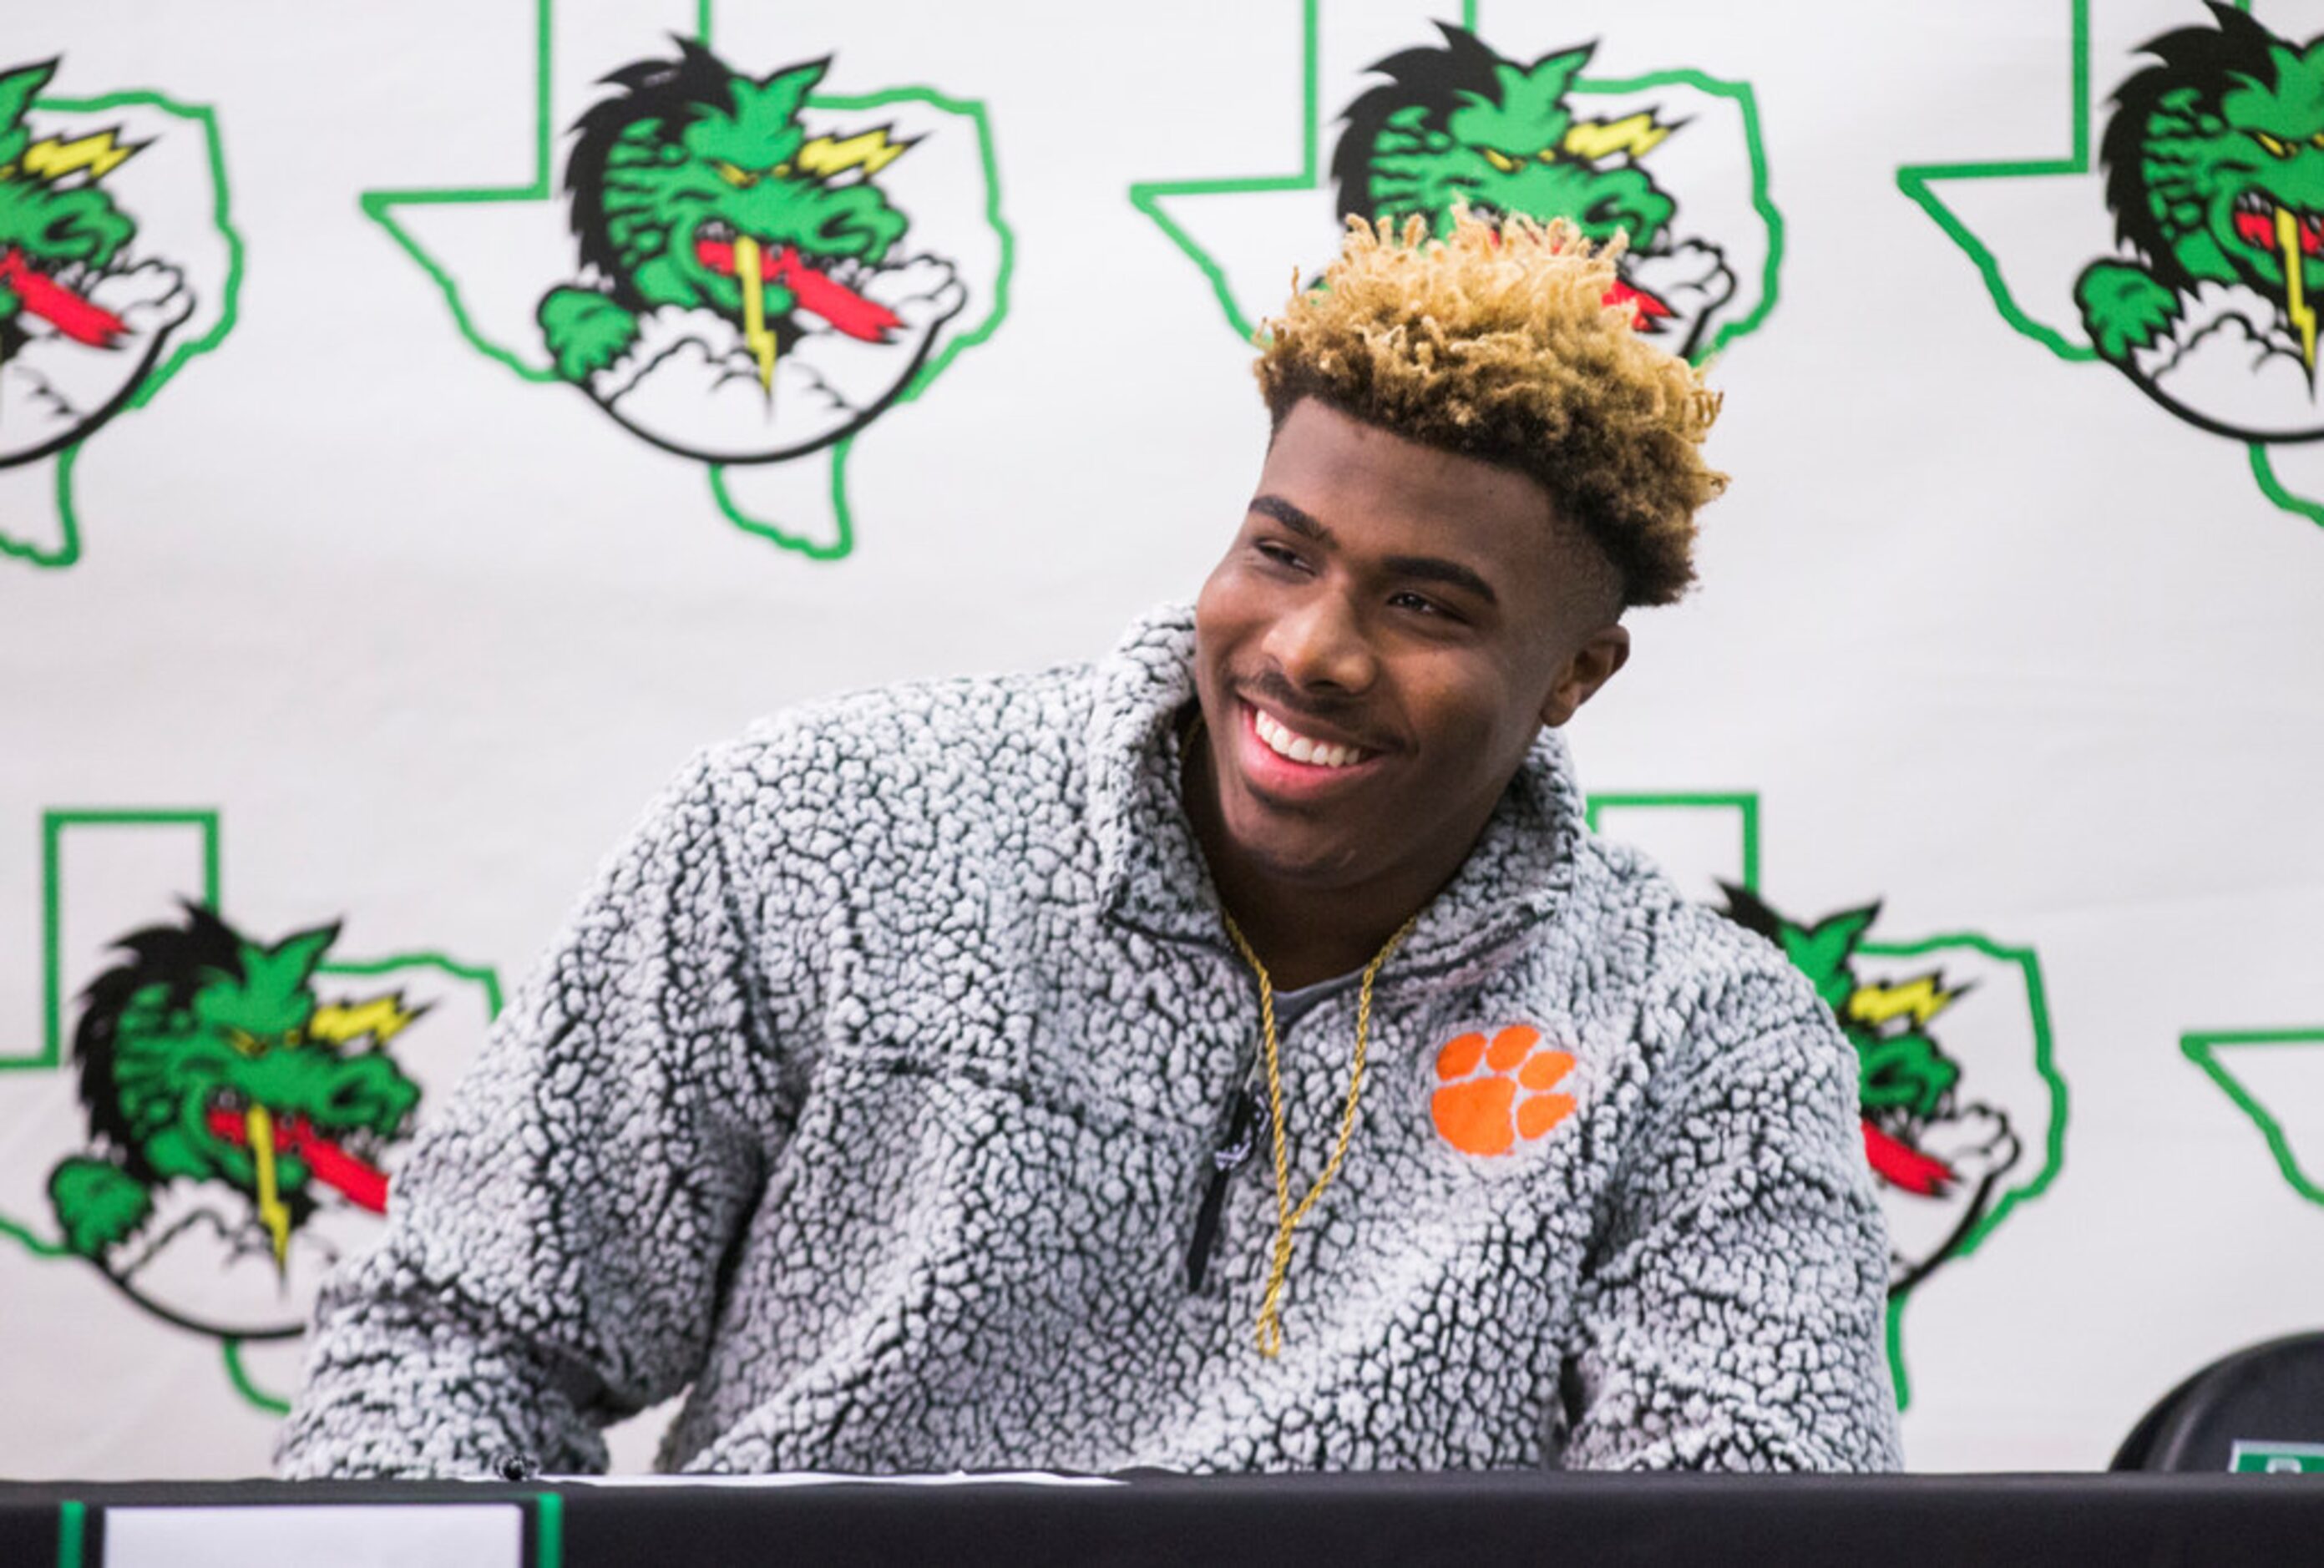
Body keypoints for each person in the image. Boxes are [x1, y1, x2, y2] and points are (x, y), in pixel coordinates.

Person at [276, 210, 1901, 1478]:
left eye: (1426, 605)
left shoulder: (1700, 1041)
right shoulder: (821, 835)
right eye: (1281, 551)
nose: (1312, 650)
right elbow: (461, 1347)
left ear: (1572, 677)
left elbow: (1754, 1510)